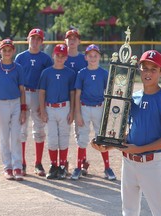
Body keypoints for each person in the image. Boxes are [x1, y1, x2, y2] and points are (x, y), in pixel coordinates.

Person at [92, 50, 161, 216]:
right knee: (129, 210)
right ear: (138, 70)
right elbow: (128, 133)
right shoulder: (133, 98)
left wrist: (139, 150)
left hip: (151, 164)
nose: (148, 73)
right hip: (128, 163)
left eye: (153, 69)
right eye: (144, 68)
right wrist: (108, 145)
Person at [72, 44, 116, 180]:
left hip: (99, 107)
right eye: (90, 56)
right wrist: (77, 113)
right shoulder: (82, 73)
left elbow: (108, 93)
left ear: (99, 57)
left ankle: (107, 168)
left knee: (102, 137)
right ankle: (79, 167)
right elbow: (77, 94)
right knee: (82, 139)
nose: (92, 58)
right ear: (85, 57)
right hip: (84, 107)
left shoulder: (103, 73)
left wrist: (108, 112)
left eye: (95, 55)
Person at [15, 28, 53, 176]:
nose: (35, 41)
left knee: (39, 129)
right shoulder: (20, 57)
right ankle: (22, 163)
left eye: (38, 39)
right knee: (22, 128)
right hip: (23, 93)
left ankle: (38, 163)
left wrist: (44, 103)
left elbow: (49, 81)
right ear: (28, 39)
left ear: (42, 42)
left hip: (38, 94)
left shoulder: (46, 59)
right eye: (33, 38)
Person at [0, 39, 26, 180]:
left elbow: (22, 90)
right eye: (4, 50)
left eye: (9, 50)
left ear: (13, 51)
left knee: (16, 135)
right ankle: (7, 167)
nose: (7, 52)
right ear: (0, 51)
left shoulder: (18, 68)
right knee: (4, 136)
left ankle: (17, 166)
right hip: (2, 103)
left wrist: (23, 110)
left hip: (16, 102)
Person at [38, 44, 76, 180]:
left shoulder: (70, 73)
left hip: (64, 107)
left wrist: (72, 111)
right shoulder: (46, 72)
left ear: (66, 57)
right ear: (53, 55)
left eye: (62, 56)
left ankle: (62, 166)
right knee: (52, 138)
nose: (60, 58)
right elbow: (42, 92)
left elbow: (72, 93)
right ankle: (53, 165)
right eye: (57, 55)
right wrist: (42, 111)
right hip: (50, 108)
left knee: (64, 138)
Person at [64, 29, 89, 175]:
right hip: (64, 98)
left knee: (80, 131)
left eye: (75, 38)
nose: (72, 40)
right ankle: (63, 161)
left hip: (81, 99)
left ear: (79, 41)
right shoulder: (61, 57)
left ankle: (83, 160)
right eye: (69, 38)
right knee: (64, 131)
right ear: (65, 41)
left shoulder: (83, 59)